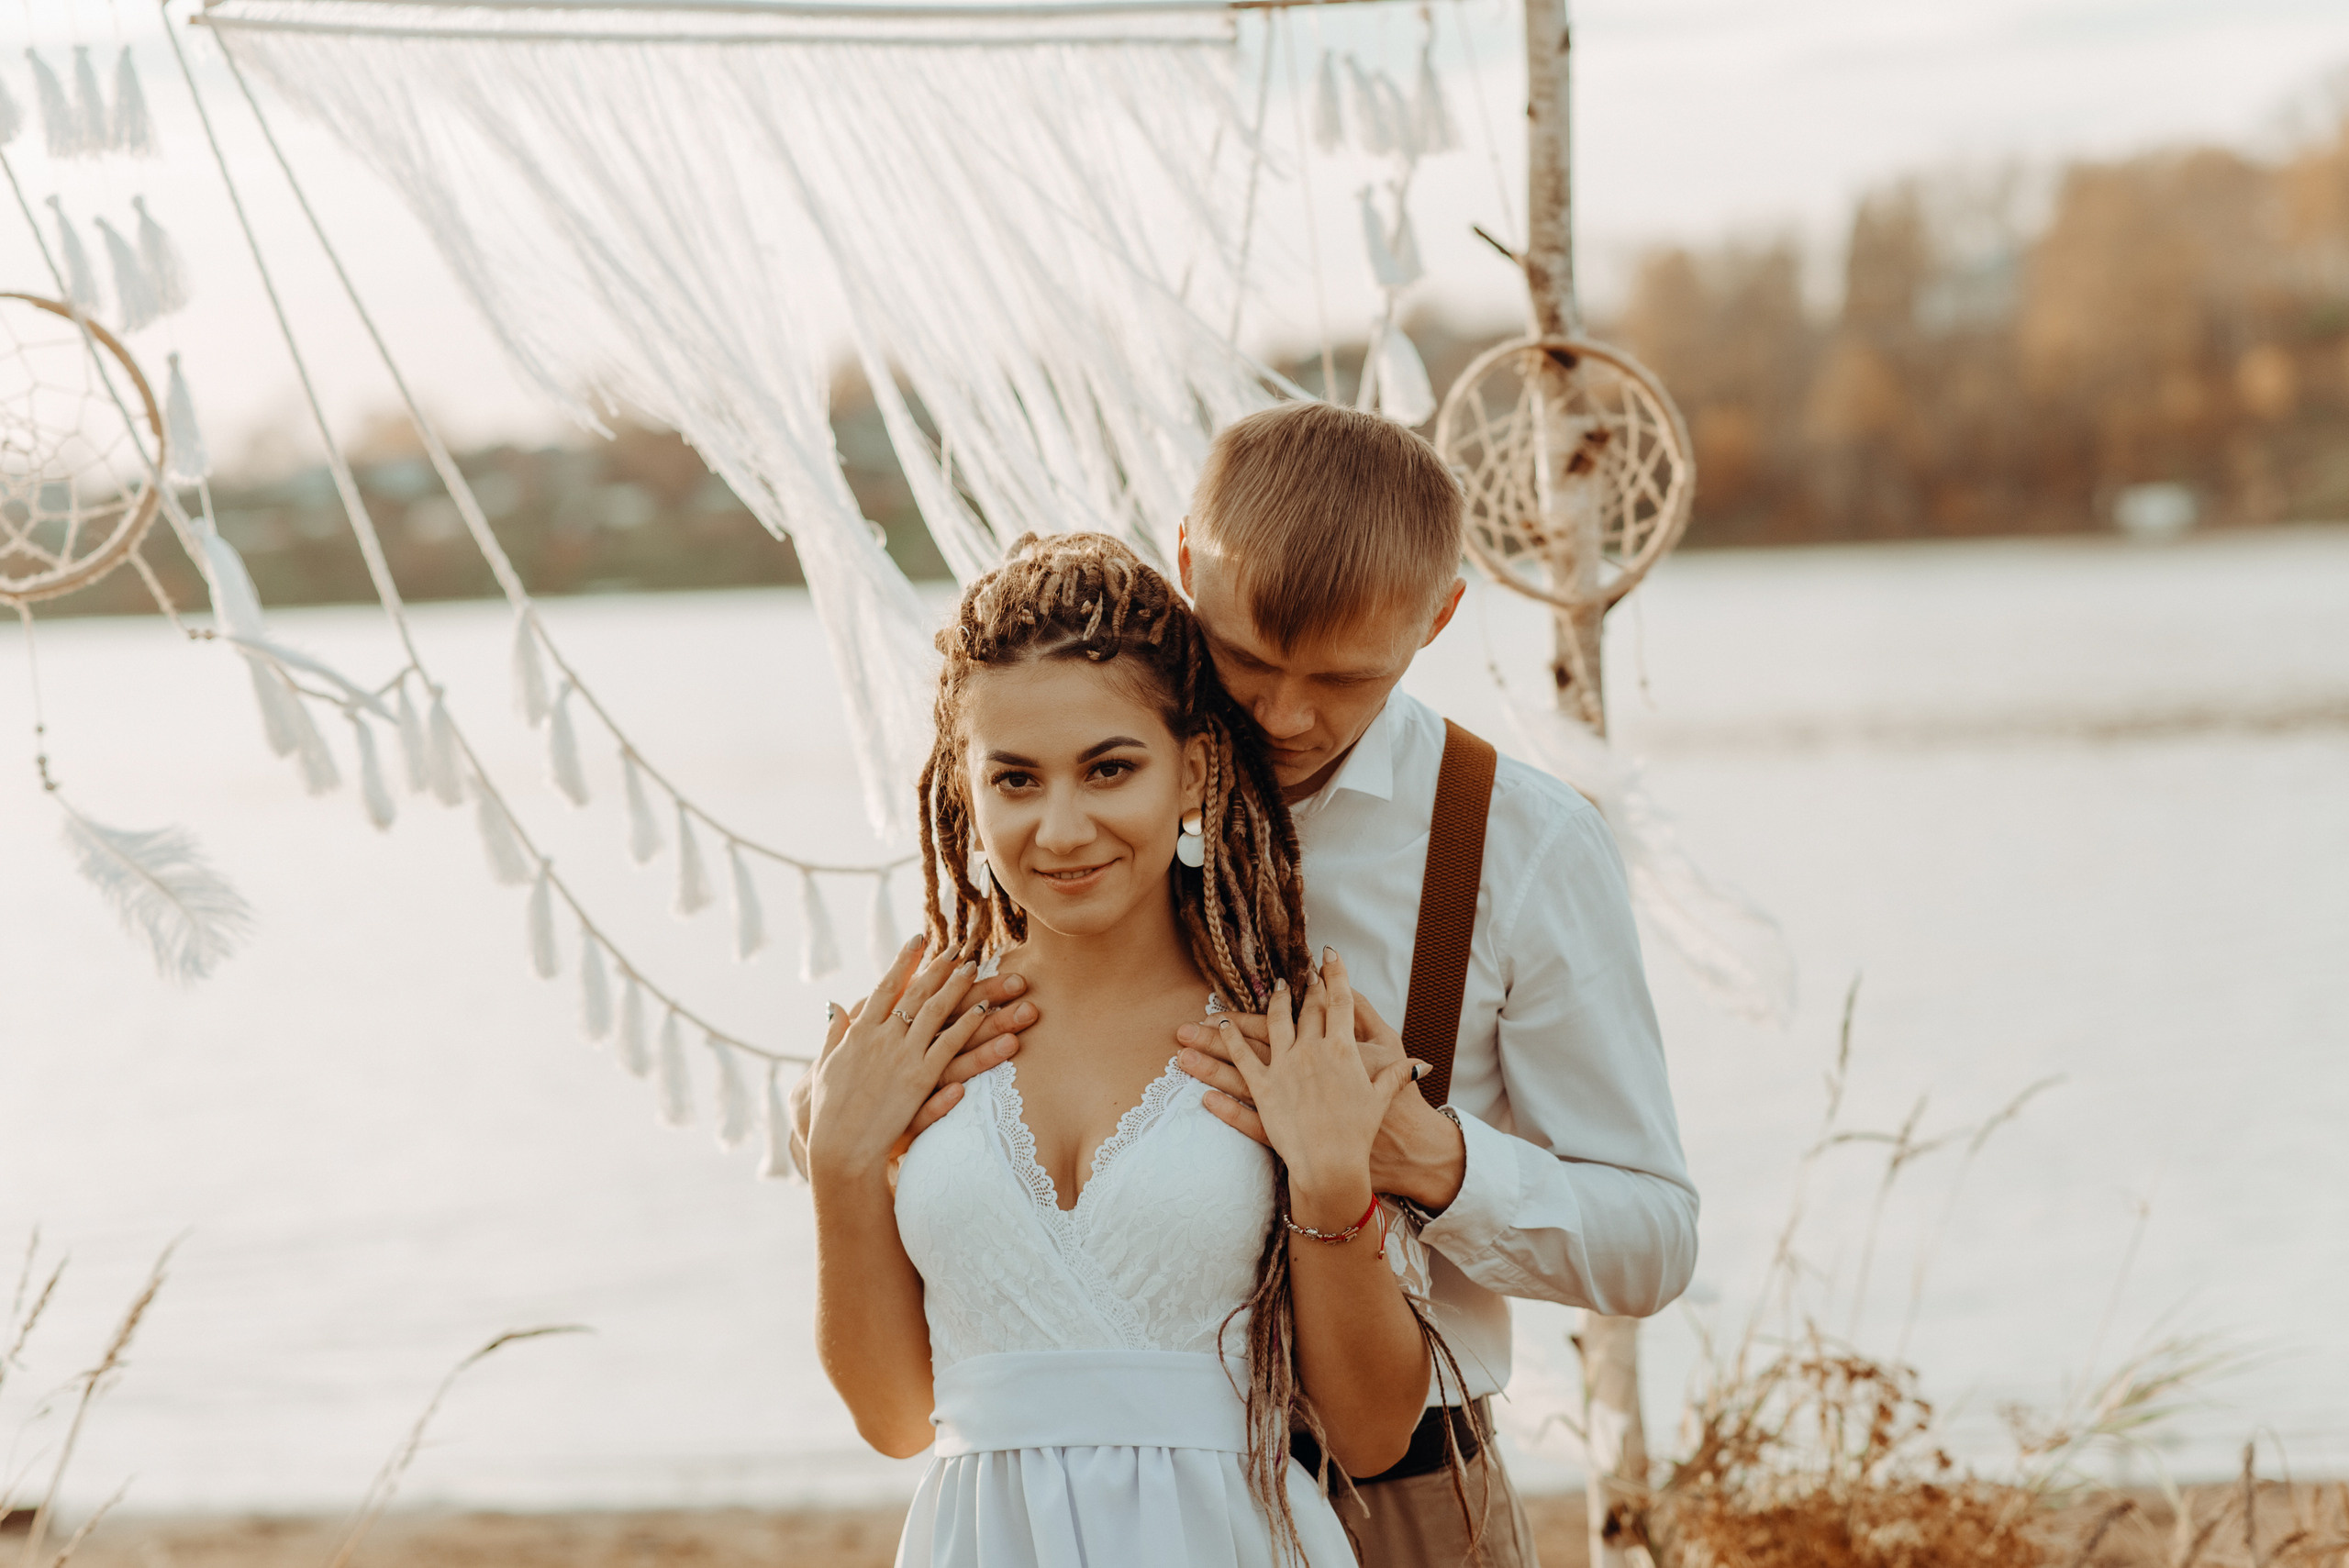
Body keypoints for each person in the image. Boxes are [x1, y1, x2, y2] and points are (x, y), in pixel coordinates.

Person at [797, 534, 1473, 1568]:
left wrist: (1334, 1182)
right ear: (963, 791)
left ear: (1193, 769)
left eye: (1108, 768)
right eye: (1014, 779)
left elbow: (1375, 1433)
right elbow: (896, 1420)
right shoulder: (912, 1048)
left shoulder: (1277, 1042)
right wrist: (840, 1169)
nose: (1062, 828)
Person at [1165, 401, 1698, 1567]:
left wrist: (1427, 1157)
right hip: (1114, 1482)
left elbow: (1653, 1238)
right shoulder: (1082, 797)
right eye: (1245, 655)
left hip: (1398, 1500)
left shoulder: (1518, 840)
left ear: (1439, 616)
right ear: (1186, 566)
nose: (1284, 714)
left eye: (1343, 678)